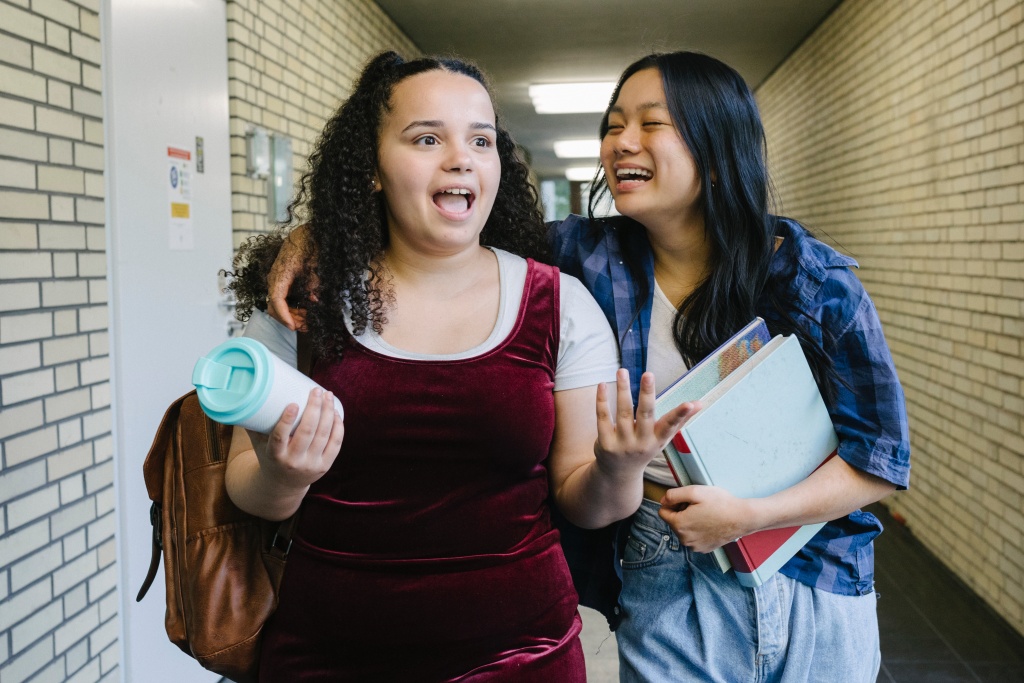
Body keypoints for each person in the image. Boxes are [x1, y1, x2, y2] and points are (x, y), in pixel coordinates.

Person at [267, 51, 911, 682]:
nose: (622, 142)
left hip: (811, 562)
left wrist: (748, 516)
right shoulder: (587, 256)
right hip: (664, 551)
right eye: (613, 124)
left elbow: (879, 458)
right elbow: (446, 225)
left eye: (651, 123)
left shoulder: (810, 278)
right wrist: (318, 237)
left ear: (718, 149)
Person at [224, 51, 698, 682]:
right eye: (427, 138)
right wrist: (283, 476)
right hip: (328, 652)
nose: (461, 158)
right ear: (370, 167)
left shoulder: (560, 304)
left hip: (522, 654)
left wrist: (619, 469)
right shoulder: (304, 300)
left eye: (481, 139)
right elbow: (245, 488)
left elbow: (590, 506)